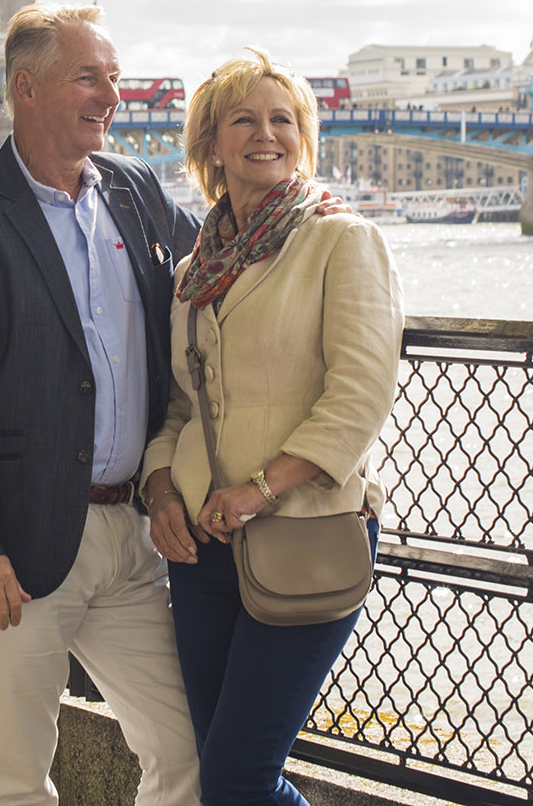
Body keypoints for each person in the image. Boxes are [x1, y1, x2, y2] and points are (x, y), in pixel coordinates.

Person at [0, 3, 202, 806]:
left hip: (132, 533)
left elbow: (223, 260)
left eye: (115, 77)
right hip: (18, 548)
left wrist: (306, 219)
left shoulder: (135, 191)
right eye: (89, 76)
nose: (112, 94)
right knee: (13, 776)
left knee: (187, 745)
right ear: (27, 87)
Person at [140, 50, 403, 806]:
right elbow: (182, 408)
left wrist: (260, 488)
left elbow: (360, 392)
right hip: (199, 543)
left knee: (239, 777)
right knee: (214, 767)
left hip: (304, 530)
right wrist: (161, 488)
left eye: (283, 119)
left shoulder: (339, 240)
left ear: (303, 136)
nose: (266, 134)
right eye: (243, 120)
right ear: (211, 145)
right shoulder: (195, 270)